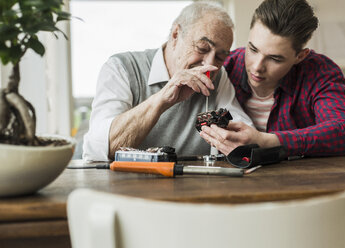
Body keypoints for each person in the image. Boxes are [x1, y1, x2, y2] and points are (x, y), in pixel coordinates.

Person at [83, 2, 253, 161]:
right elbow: (100, 150)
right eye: (202, 48)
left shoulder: (218, 76)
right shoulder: (122, 68)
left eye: (220, 57)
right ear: (175, 35)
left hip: (192, 188)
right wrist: (162, 99)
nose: (209, 64)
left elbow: (244, 135)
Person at [200, 0, 345, 158]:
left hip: (299, 182)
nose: (257, 66)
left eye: (275, 59)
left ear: (300, 56)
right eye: (253, 49)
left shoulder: (318, 72)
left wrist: (269, 141)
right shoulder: (225, 67)